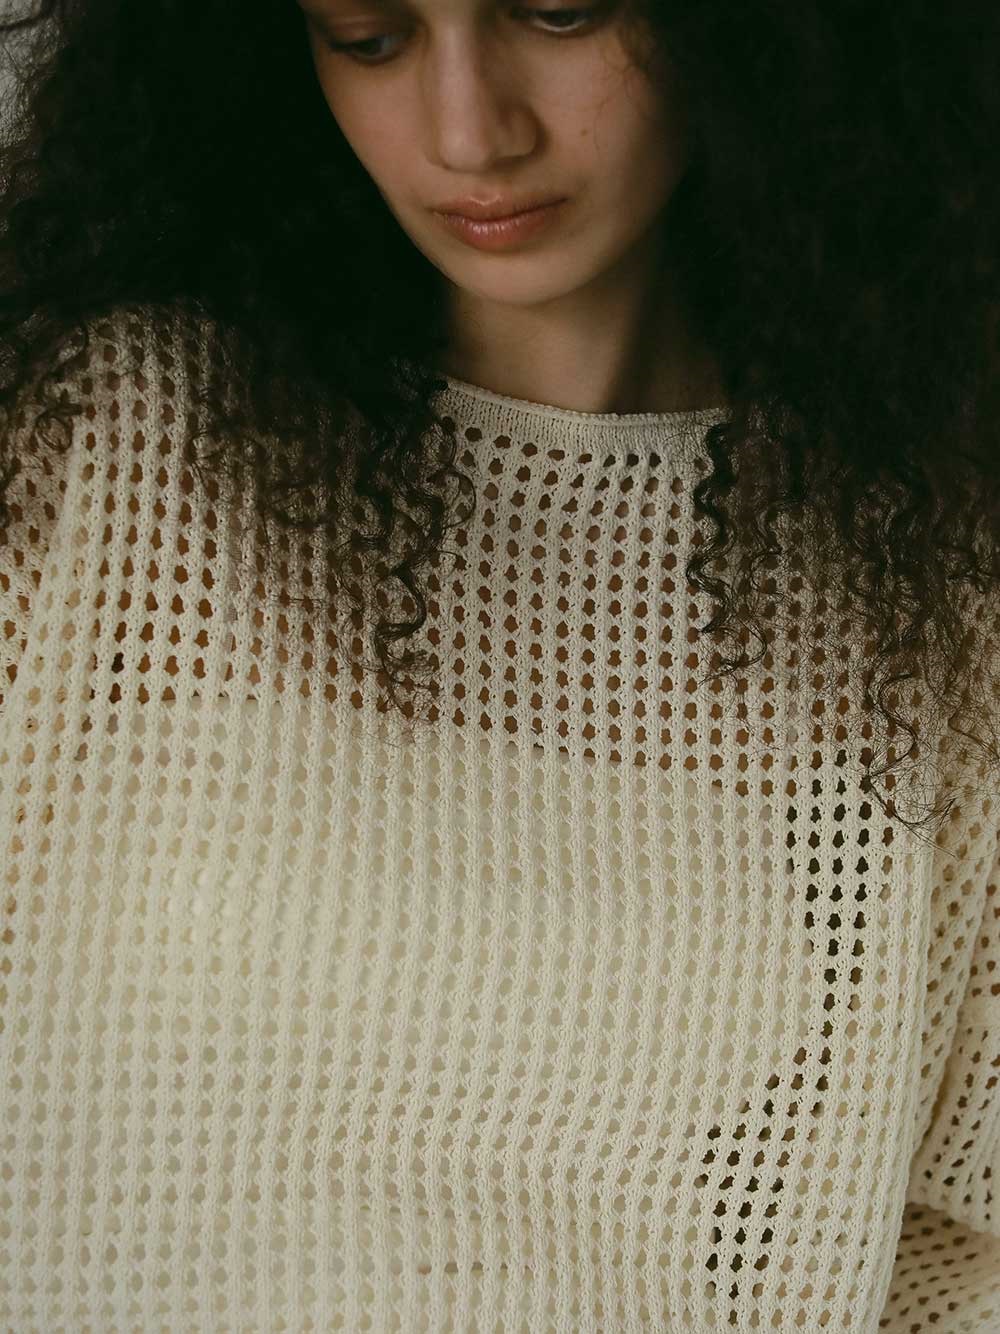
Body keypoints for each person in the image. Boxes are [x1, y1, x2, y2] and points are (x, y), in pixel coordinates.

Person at [0, 1, 997, 1330]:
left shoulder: (925, 596)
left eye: (559, 11)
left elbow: (960, 1242)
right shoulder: (108, 453)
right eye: (370, 37)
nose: (470, 132)